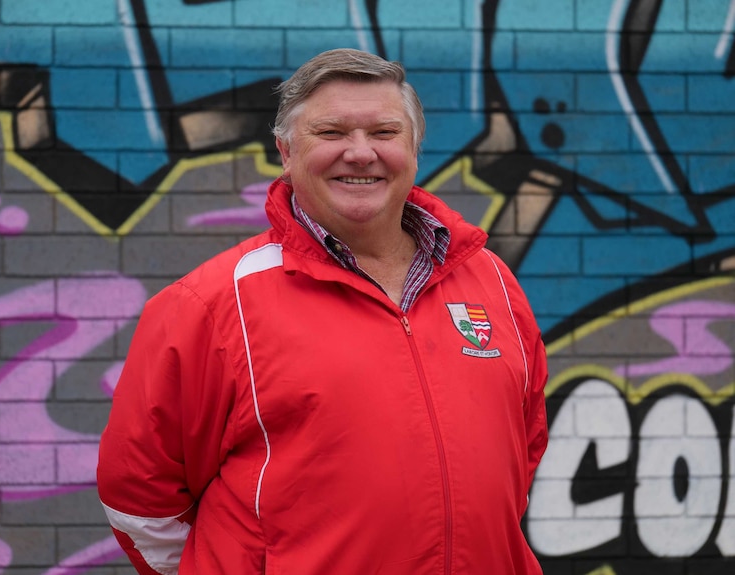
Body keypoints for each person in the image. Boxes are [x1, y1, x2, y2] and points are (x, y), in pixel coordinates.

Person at [97, 48, 548, 574]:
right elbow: (138, 493)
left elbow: (521, 447)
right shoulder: (214, 305)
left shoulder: (490, 279)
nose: (360, 153)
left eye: (384, 133)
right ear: (285, 153)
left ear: (414, 149)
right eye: (331, 133)